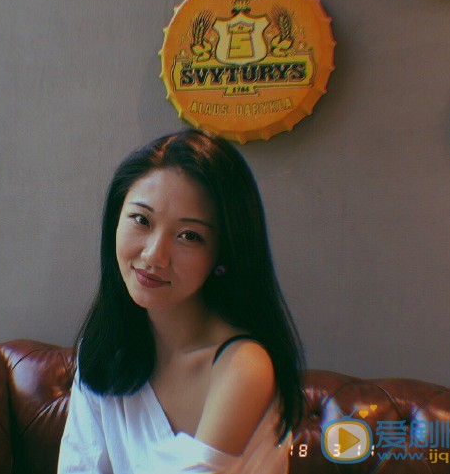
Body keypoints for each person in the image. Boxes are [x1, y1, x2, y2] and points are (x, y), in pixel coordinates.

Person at [58, 129, 305, 473]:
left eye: (189, 236)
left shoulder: (242, 366)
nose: (154, 255)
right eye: (142, 220)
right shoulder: (105, 350)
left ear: (223, 253)